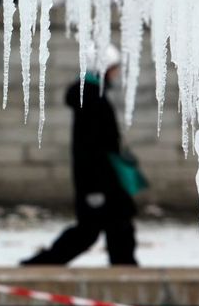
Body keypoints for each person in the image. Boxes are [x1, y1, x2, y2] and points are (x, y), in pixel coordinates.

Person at [21, 44, 139, 267]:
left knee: (114, 227)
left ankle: (124, 271)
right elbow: (90, 150)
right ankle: (42, 265)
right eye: (114, 68)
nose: (117, 73)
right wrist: (94, 190)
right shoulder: (93, 101)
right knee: (95, 230)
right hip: (100, 183)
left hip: (104, 181)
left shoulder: (93, 97)